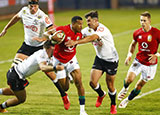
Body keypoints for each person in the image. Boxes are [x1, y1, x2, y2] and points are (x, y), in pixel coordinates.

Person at [65, 11, 119, 114]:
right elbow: (78, 34)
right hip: (99, 59)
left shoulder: (102, 29)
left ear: (95, 20)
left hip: (111, 60)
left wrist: (76, 42)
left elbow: (92, 37)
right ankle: (101, 94)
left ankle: (113, 104)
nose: (87, 23)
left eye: (89, 21)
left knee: (110, 85)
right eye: (87, 21)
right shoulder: (88, 30)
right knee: (92, 83)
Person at [35, 16, 88, 115]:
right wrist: (52, 37)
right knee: (65, 88)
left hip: (72, 59)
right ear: (73, 24)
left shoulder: (81, 33)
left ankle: (82, 110)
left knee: (79, 83)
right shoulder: (62, 30)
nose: (81, 26)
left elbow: (89, 38)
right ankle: (67, 76)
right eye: (79, 24)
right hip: (59, 61)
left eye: (82, 24)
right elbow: (46, 33)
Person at [0, 40, 70, 113]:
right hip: (15, 76)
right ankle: (1, 107)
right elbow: (43, 67)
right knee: (21, 98)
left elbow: (49, 70)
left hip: (17, 75)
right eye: (55, 47)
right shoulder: (42, 54)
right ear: (50, 48)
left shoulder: (47, 56)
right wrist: (55, 68)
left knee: (15, 91)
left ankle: (1, 105)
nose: (57, 49)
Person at [118, 11, 160, 108]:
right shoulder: (137, 33)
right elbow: (133, 44)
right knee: (129, 79)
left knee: (139, 86)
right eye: (141, 20)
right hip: (139, 60)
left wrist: (156, 55)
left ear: (149, 21)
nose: (142, 22)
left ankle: (127, 100)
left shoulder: (157, 33)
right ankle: (125, 88)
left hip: (150, 65)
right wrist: (129, 55)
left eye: (144, 20)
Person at [0, 0, 54, 66]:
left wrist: (43, 38)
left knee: (48, 69)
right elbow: (16, 17)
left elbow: (51, 30)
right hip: (27, 46)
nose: (33, 8)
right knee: (14, 67)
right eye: (31, 6)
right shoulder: (24, 11)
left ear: (38, 5)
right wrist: (6, 28)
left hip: (40, 47)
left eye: (35, 6)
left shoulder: (43, 16)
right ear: (28, 6)